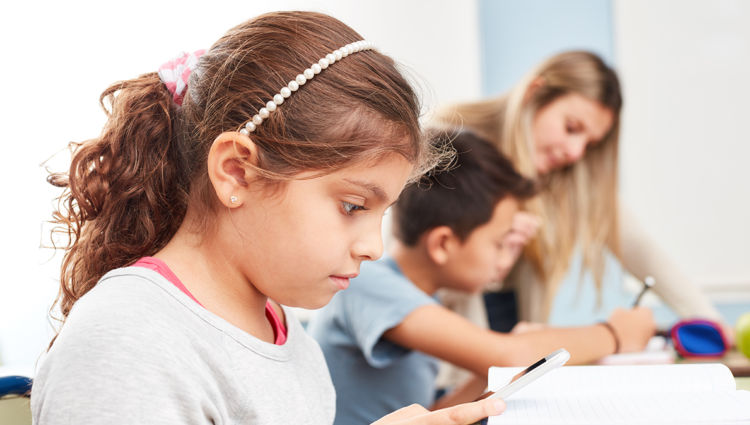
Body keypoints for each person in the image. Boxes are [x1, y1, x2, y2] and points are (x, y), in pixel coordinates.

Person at [31, 12, 506, 424]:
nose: (373, 247)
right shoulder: (126, 344)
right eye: (353, 207)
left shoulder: (278, 324)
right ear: (237, 173)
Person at [431, 50, 733, 391]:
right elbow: (415, 267)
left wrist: (714, 326)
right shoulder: (449, 141)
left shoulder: (569, 175)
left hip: (514, 341)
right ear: (534, 94)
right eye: (571, 128)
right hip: (444, 352)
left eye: (589, 144)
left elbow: (639, 247)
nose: (575, 152)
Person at [306, 131, 655, 425]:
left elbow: (429, 418)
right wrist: (616, 334)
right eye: (500, 242)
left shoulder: (418, 297)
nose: (506, 260)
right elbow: (509, 353)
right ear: (443, 244)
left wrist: (489, 377)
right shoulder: (369, 284)